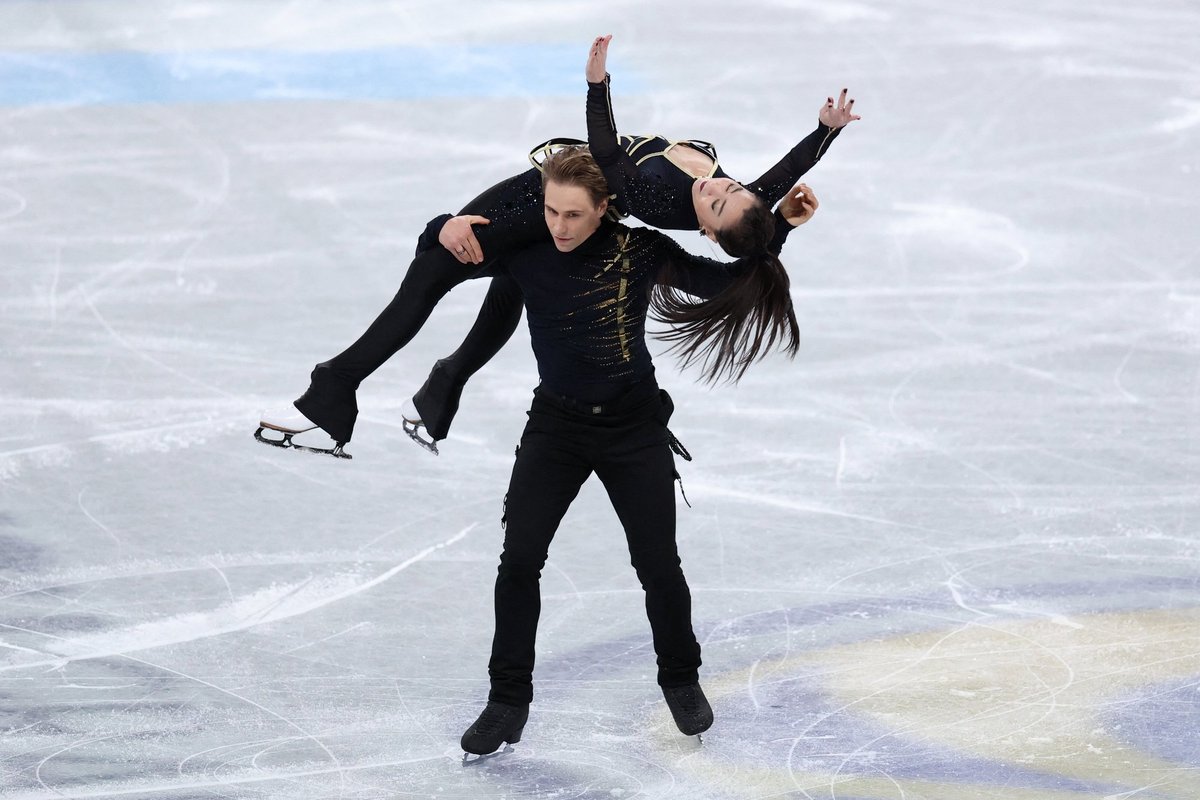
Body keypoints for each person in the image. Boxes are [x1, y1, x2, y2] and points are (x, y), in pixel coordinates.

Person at [255, 35, 857, 457]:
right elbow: (775, 184)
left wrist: (596, 83)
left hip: (548, 200)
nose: (716, 185)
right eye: (730, 186)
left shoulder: (655, 202)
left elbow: (604, 150)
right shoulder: (739, 200)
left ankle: (333, 393)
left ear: (705, 228)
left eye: (717, 201)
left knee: (437, 267)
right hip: (554, 193)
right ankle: (441, 387)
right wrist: (823, 136)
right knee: (501, 281)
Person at [458, 145, 818, 756]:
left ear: (604, 208)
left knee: (657, 564)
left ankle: (681, 680)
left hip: (634, 430)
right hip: (555, 430)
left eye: (573, 215)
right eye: (551, 212)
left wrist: (775, 226)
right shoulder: (525, 254)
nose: (558, 226)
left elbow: (731, 277)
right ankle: (506, 700)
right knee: (519, 561)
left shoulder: (639, 251)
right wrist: (447, 224)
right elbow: (438, 262)